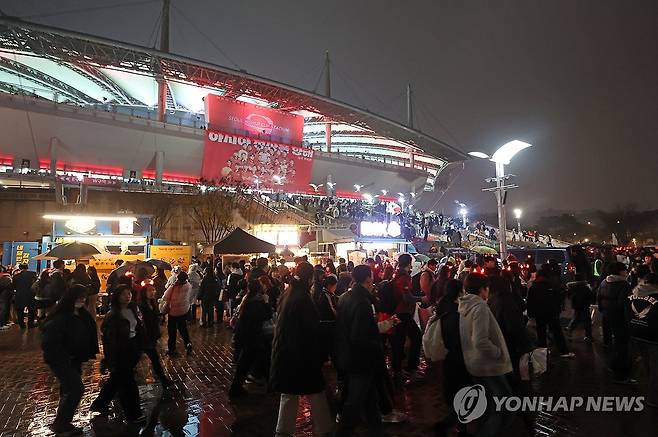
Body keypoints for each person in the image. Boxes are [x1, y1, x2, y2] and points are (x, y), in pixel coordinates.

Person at [270, 262, 333, 437]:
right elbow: (312, 328)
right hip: (301, 355)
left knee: (289, 394)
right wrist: (333, 326)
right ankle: (324, 430)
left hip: (286, 352)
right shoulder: (302, 298)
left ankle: (283, 431)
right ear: (309, 278)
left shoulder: (288, 293)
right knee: (316, 393)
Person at [458, 273, 515, 437]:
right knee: (505, 406)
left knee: (489, 405)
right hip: (489, 365)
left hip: (474, 363)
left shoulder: (463, 305)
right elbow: (480, 340)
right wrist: (498, 352)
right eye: (487, 288)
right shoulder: (480, 307)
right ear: (483, 289)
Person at [334, 265, 386, 436]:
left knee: (370, 399)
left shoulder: (344, 297)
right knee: (354, 402)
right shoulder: (362, 303)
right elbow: (360, 336)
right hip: (361, 360)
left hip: (349, 355)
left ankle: (377, 430)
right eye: (371, 277)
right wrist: (375, 347)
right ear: (368, 279)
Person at [41, 284, 98, 436]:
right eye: (79, 296)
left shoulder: (80, 313)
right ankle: (61, 423)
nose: (82, 299)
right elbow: (50, 341)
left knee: (68, 389)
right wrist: (63, 356)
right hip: (61, 360)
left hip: (75, 358)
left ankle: (62, 421)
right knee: (76, 388)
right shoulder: (61, 316)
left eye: (84, 297)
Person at [91, 285, 145, 423]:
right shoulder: (113, 315)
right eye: (124, 294)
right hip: (120, 352)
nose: (128, 296)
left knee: (116, 380)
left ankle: (100, 404)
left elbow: (137, 328)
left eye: (129, 293)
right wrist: (110, 359)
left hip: (131, 348)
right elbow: (109, 340)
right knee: (128, 384)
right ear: (117, 297)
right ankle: (133, 414)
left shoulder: (132, 309)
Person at [433, 279, 470, 437]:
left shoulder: (443, 305)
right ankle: (449, 425)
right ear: (459, 291)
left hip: (449, 357)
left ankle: (460, 428)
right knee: (465, 394)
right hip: (458, 358)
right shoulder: (456, 311)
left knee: (458, 394)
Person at [229, 280, 273, 398]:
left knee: (249, 362)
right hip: (251, 337)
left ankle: (236, 389)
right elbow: (266, 314)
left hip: (246, 336)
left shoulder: (248, 299)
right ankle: (235, 390)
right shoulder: (256, 302)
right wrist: (266, 302)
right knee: (255, 361)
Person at [598, 262, 635, 383]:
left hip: (607, 315)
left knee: (616, 342)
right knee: (623, 344)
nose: (626, 272)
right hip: (619, 317)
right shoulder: (624, 285)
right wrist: (629, 319)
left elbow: (599, 297)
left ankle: (613, 365)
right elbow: (624, 304)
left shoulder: (604, 282)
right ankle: (621, 374)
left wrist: (603, 310)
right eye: (625, 270)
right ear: (620, 271)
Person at [527, 268, 575, 358]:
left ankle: (542, 353)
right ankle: (563, 351)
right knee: (557, 332)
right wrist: (558, 309)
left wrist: (531, 314)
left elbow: (530, 302)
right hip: (551, 312)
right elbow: (558, 298)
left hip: (539, 313)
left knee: (541, 333)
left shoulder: (534, 287)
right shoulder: (551, 285)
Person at [391, 253, 423, 383]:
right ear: (409, 263)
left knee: (399, 340)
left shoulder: (395, 274)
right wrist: (420, 298)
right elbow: (406, 297)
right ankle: (411, 368)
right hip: (402, 312)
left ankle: (398, 370)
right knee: (416, 336)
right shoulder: (404, 277)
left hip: (396, 312)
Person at [628, 273, 658, 406]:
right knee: (655, 367)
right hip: (653, 336)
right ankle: (653, 398)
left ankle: (650, 387)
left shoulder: (634, 293)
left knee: (647, 363)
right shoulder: (656, 297)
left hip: (637, 332)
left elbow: (627, 311)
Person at [137, 284, 173, 387]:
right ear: (144, 293)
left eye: (153, 290)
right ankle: (163, 380)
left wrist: (161, 315)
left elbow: (155, 319)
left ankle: (163, 380)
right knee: (153, 359)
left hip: (151, 336)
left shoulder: (152, 304)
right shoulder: (141, 306)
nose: (152, 292)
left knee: (154, 359)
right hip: (144, 337)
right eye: (149, 290)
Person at [162, 271, 194, 356]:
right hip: (184, 310)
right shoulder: (188, 286)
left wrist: (172, 285)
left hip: (173, 311)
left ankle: (172, 349)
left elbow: (165, 296)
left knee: (172, 331)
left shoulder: (174, 287)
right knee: (183, 328)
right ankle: (188, 344)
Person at [567, 274, 594, 340]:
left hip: (576, 305)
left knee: (575, 319)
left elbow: (568, 296)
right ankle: (588, 336)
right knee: (587, 321)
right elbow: (590, 295)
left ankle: (570, 330)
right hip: (585, 305)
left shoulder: (571, 287)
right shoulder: (585, 287)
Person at [12, 264, 37, 329]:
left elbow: (13, 286)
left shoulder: (16, 276)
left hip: (19, 295)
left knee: (20, 311)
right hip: (30, 295)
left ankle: (22, 325)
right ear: (27, 267)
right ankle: (30, 324)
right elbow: (35, 284)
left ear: (19, 268)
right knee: (31, 310)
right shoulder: (33, 274)